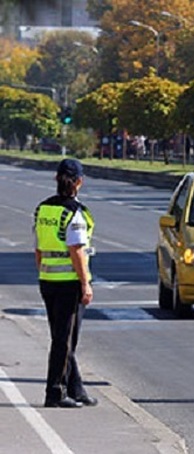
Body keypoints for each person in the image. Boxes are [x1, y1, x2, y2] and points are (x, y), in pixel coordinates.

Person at [33, 159, 97, 408]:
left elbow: (38, 249)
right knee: (64, 340)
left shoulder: (43, 209)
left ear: (56, 179)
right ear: (79, 182)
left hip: (47, 280)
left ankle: (76, 388)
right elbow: (77, 251)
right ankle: (55, 393)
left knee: (62, 337)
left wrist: (44, 272)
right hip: (69, 282)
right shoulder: (74, 212)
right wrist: (86, 283)